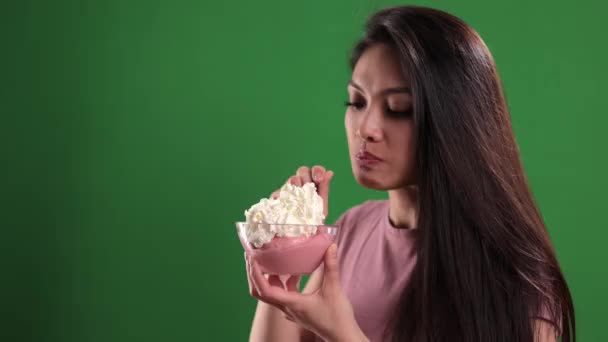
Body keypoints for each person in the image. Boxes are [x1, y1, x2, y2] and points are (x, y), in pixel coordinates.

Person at [243, 5, 575, 342]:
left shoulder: (518, 283)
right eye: (357, 102)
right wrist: (284, 250)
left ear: (457, 124)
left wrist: (343, 333)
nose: (367, 129)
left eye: (398, 110)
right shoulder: (350, 232)